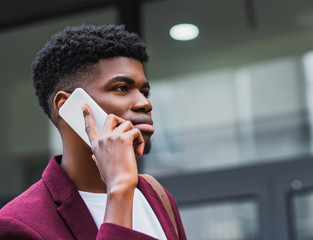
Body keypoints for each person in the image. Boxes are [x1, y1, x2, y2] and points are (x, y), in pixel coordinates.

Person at [0, 25, 186, 240]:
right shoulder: (17, 225)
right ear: (68, 106)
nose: (144, 103)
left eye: (145, 92)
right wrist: (119, 191)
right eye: (121, 88)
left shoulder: (156, 195)